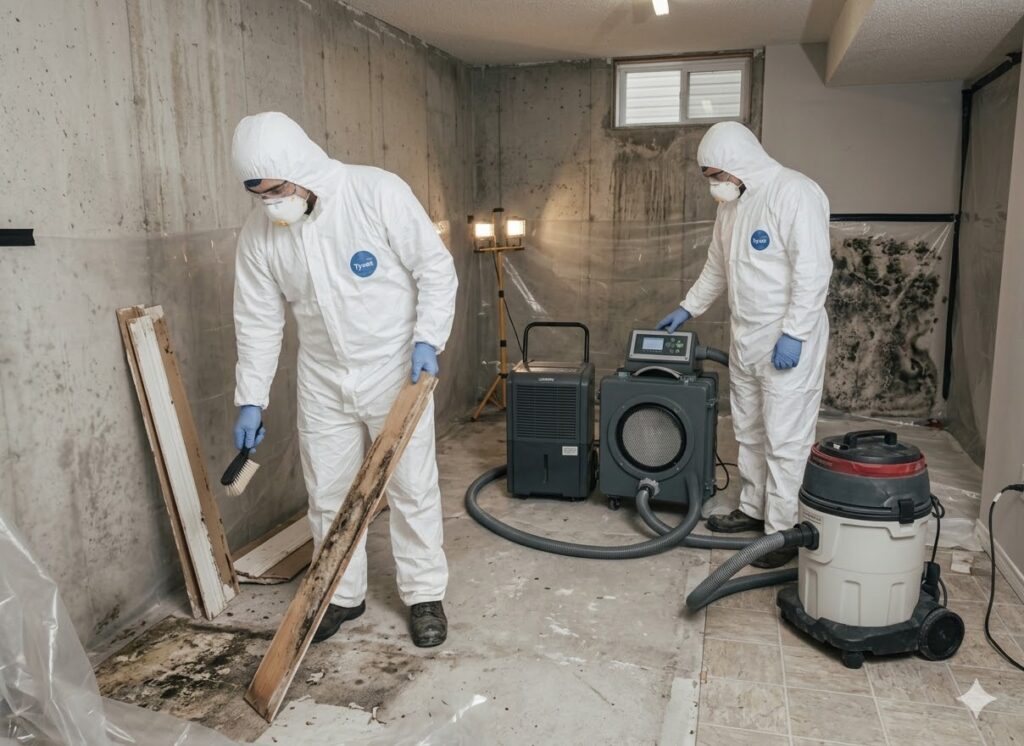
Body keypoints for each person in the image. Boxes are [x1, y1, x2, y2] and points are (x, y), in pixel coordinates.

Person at [230, 112, 458, 646]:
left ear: (301, 167)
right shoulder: (260, 235)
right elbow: (258, 318)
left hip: (395, 369)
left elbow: (434, 268)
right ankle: (340, 593)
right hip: (322, 375)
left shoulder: (375, 192)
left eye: (277, 190)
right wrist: (251, 400)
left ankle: (424, 595)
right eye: (259, 195)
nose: (270, 204)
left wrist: (428, 338)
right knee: (328, 492)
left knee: (410, 486)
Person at [656, 121, 832, 568]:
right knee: (749, 430)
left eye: (717, 175)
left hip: (786, 335)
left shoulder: (794, 192)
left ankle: (782, 532)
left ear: (739, 163)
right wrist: (687, 308)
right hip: (747, 334)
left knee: (785, 439)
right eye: (709, 178)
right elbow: (717, 268)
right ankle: (753, 509)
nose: (714, 185)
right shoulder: (732, 206)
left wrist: (795, 333)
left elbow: (813, 270)